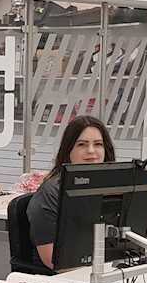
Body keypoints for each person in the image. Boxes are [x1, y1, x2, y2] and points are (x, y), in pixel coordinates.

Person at [27, 115, 115, 270]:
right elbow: (53, 261)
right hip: (66, 277)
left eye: (98, 144)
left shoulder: (110, 188)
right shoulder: (50, 193)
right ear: (68, 150)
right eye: (82, 144)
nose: (91, 151)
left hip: (106, 269)